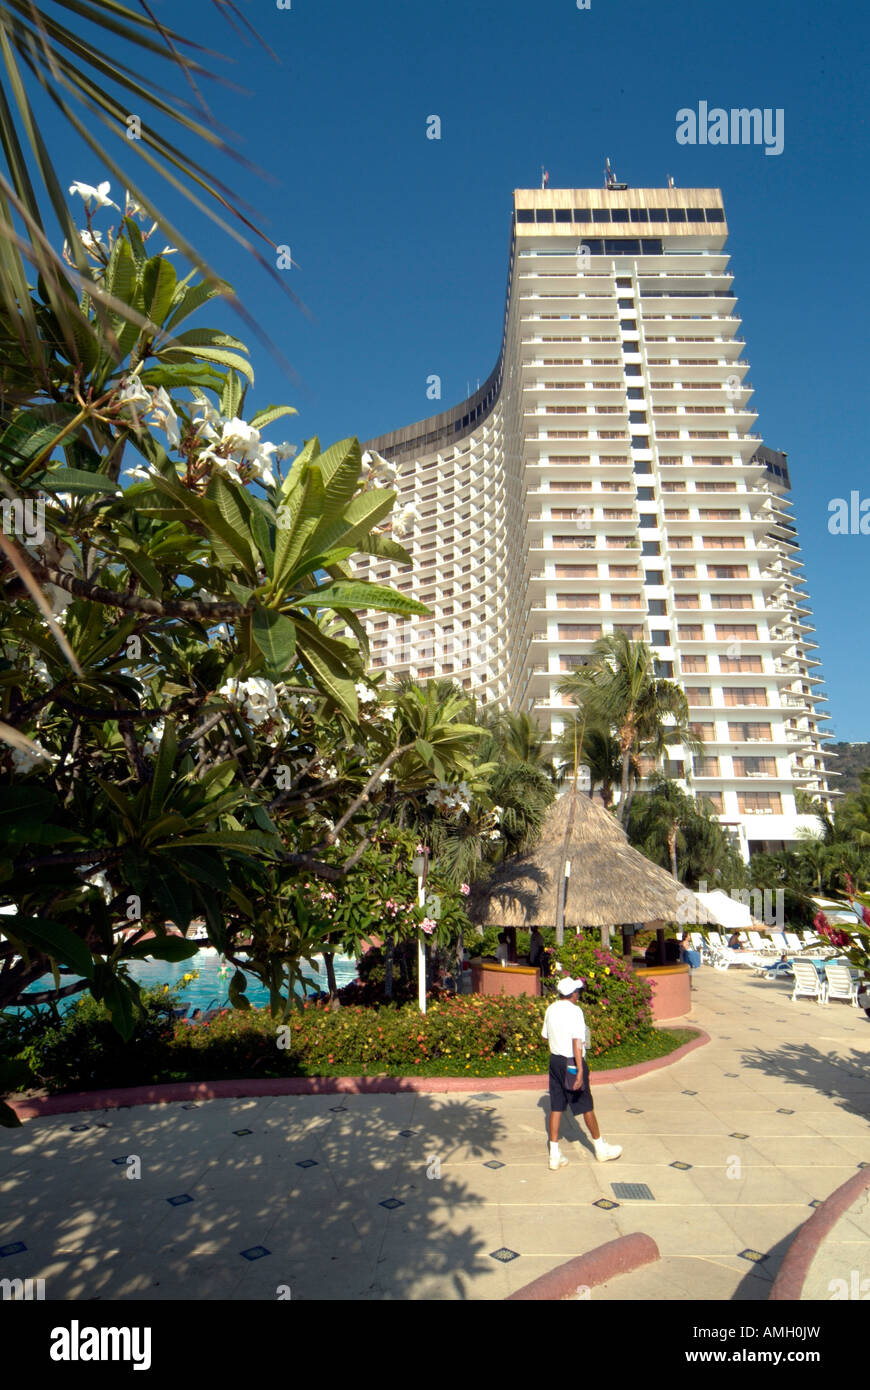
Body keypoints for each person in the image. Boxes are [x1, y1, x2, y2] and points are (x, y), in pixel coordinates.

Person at [541, 976, 622, 1169]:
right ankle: (600, 1148)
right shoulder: (575, 1011)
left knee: (556, 1106)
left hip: (555, 1061)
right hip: (571, 1062)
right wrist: (578, 1072)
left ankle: (554, 1155)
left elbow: (545, 1036)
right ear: (573, 994)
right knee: (586, 1105)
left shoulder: (551, 1009)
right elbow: (577, 1041)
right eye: (578, 992)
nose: (579, 995)